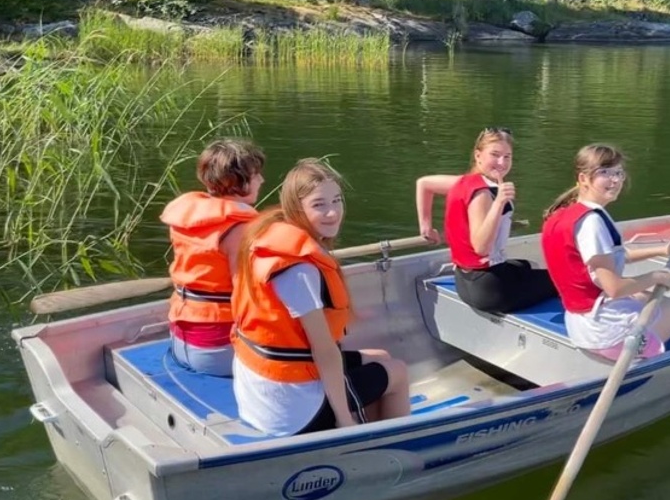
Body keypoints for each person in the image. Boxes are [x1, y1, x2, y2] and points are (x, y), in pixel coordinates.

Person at [230, 158, 410, 437]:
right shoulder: (298, 269)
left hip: (265, 385)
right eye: (319, 204)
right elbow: (324, 351)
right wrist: (343, 419)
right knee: (396, 371)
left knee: (381, 355)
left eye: (337, 201)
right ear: (295, 207)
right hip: (290, 408)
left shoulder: (271, 240)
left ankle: (371, 431)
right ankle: (384, 449)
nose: (332, 212)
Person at [541, 144, 670, 361]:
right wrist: (656, 276)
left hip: (581, 324)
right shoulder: (592, 223)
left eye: (618, 173)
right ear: (583, 178)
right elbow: (614, 288)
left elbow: (615, 257)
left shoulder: (565, 215)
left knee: (643, 296)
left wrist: (663, 249)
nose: (616, 180)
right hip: (607, 335)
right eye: (605, 173)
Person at [415, 126, 558, 314]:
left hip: (465, 280)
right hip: (491, 290)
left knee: (524, 266)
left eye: (507, 156)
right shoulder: (483, 194)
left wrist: (426, 226)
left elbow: (424, 184)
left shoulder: (462, 181)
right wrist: (499, 203)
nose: (502, 162)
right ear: (478, 155)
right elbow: (481, 247)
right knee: (564, 281)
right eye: (495, 155)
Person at [160, 138, 265, 377]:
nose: (262, 180)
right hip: (217, 350)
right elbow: (246, 297)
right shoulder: (239, 230)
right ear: (237, 181)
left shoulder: (186, 219)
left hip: (179, 341)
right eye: (256, 174)